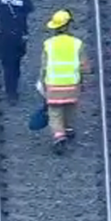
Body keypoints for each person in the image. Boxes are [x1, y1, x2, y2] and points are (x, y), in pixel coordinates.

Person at [39, 10, 90, 154]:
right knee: (70, 109)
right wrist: (83, 80)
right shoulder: (77, 44)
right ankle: (69, 129)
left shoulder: (48, 44)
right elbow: (85, 67)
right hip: (72, 85)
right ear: (68, 25)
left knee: (55, 112)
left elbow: (44, 67)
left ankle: (59, 136)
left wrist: (42, 84)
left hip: (53, 86)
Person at [0, 0, 34, 105]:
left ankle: (10, 92)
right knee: (16, 63)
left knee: (6, 64)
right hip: (19, 36)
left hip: (4, 35)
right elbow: (29, 9)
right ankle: (13, 89)